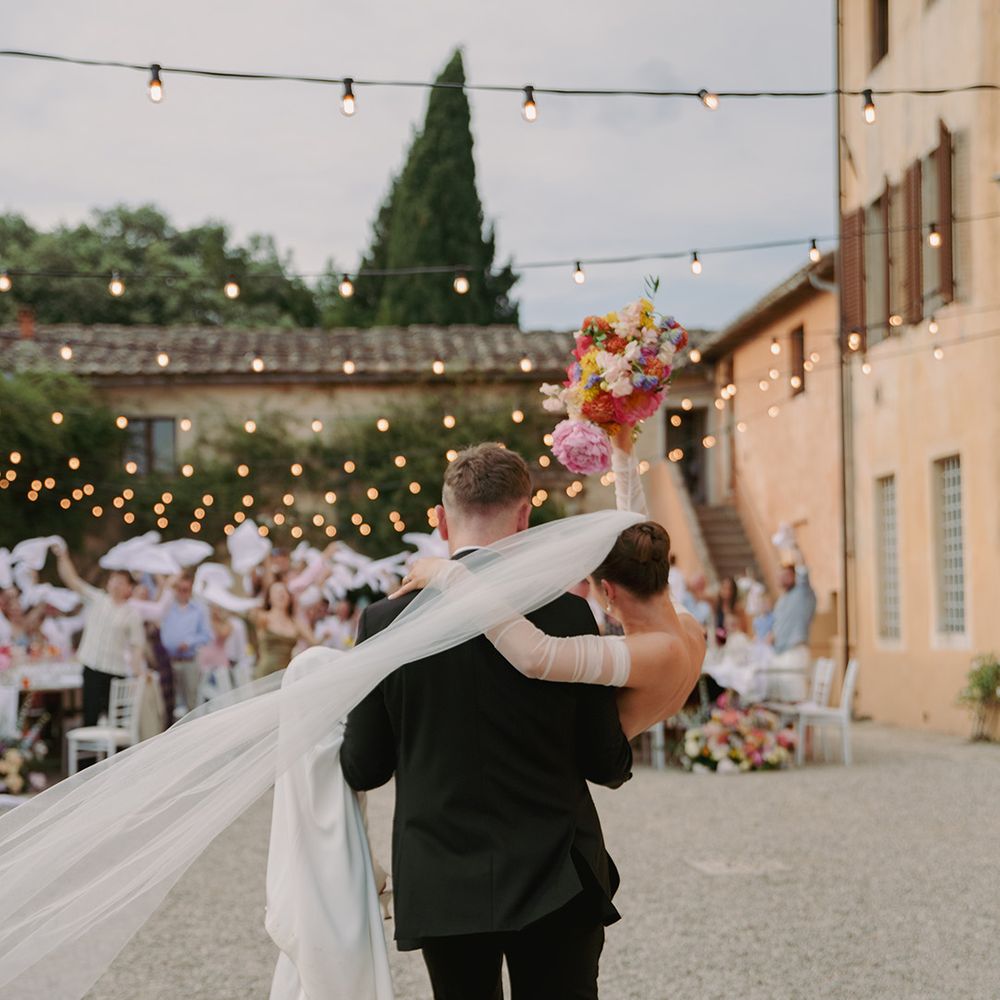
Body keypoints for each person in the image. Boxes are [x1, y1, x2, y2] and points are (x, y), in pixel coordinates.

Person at [342, 443, 638, 1000]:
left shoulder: (384, 621)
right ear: (525, 516)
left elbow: (364, 765)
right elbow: (606, 763)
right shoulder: (568, 611)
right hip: (557, 872)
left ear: (439, 517)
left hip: (440, 876)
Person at [52, 541, 146, 727]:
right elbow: (72, 580)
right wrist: (63, 556)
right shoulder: (97, 599)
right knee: (90, 719)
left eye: (121, 582)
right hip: (92, 667)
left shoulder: (132, 613)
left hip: (116, 672)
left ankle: (118, 756)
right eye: (114, 580)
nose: (116, 585)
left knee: (115, 722)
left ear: (129, 588)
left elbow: (138, 645)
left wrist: (138, 674)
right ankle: (91, 757)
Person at [763, 547, 817, 701]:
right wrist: (771, 635)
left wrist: (794, 547)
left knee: (796, 698)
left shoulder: (802, 593)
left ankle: (803, 726)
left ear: (794, 576)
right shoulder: (782, 599)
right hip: (779, 652)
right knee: (775, 695)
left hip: (795, 651)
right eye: (780, 575)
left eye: (786, 575)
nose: (782, 578)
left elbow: (803, 570)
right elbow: (779, 624)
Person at [158, 575, 213, 714]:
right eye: (180, 589)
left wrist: (189, 642)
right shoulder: (167, 607)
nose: (182, 592)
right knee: (169, 702)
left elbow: (206, 635)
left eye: (186, 589)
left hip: (189, 661)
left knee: (191, 702)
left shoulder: (198, 610)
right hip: (169, 662)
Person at [251, 581, 312, 680]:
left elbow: (315, 642)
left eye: (284, 591)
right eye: (276, 591)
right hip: (265, 675)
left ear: (289, 597)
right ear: (269, 598)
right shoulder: (262, 618)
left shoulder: (296, 622)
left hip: (287, 676)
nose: (281, 594)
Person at [713, 576, 750, 646]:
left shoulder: (738, 608)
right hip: (720, 641)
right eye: (724, 588)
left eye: (729, 589)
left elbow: (745, 630)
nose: (726, 592)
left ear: (733, 591)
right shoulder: (716, 606)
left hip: (734, 641)